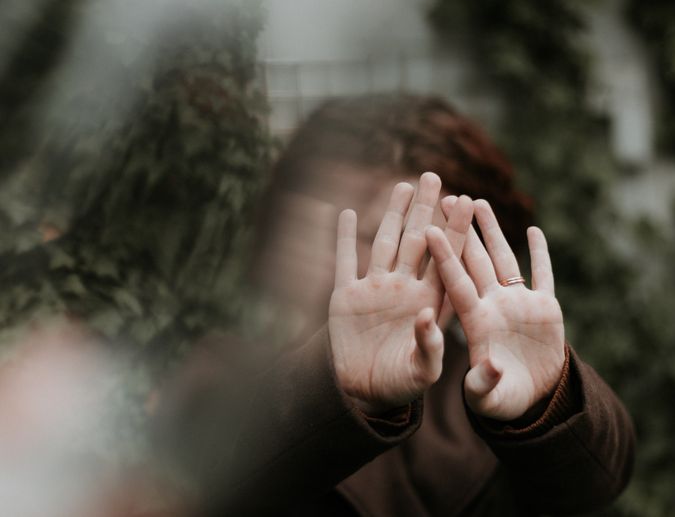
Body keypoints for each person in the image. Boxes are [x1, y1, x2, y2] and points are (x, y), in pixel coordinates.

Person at [156, 95, 635, 516]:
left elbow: (596, 484)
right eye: (379, 237)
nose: (410, 275)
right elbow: (204, 476)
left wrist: (548, 402)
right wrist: (341, 388)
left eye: (438, 247)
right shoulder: (225, 372)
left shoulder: (489, 390)